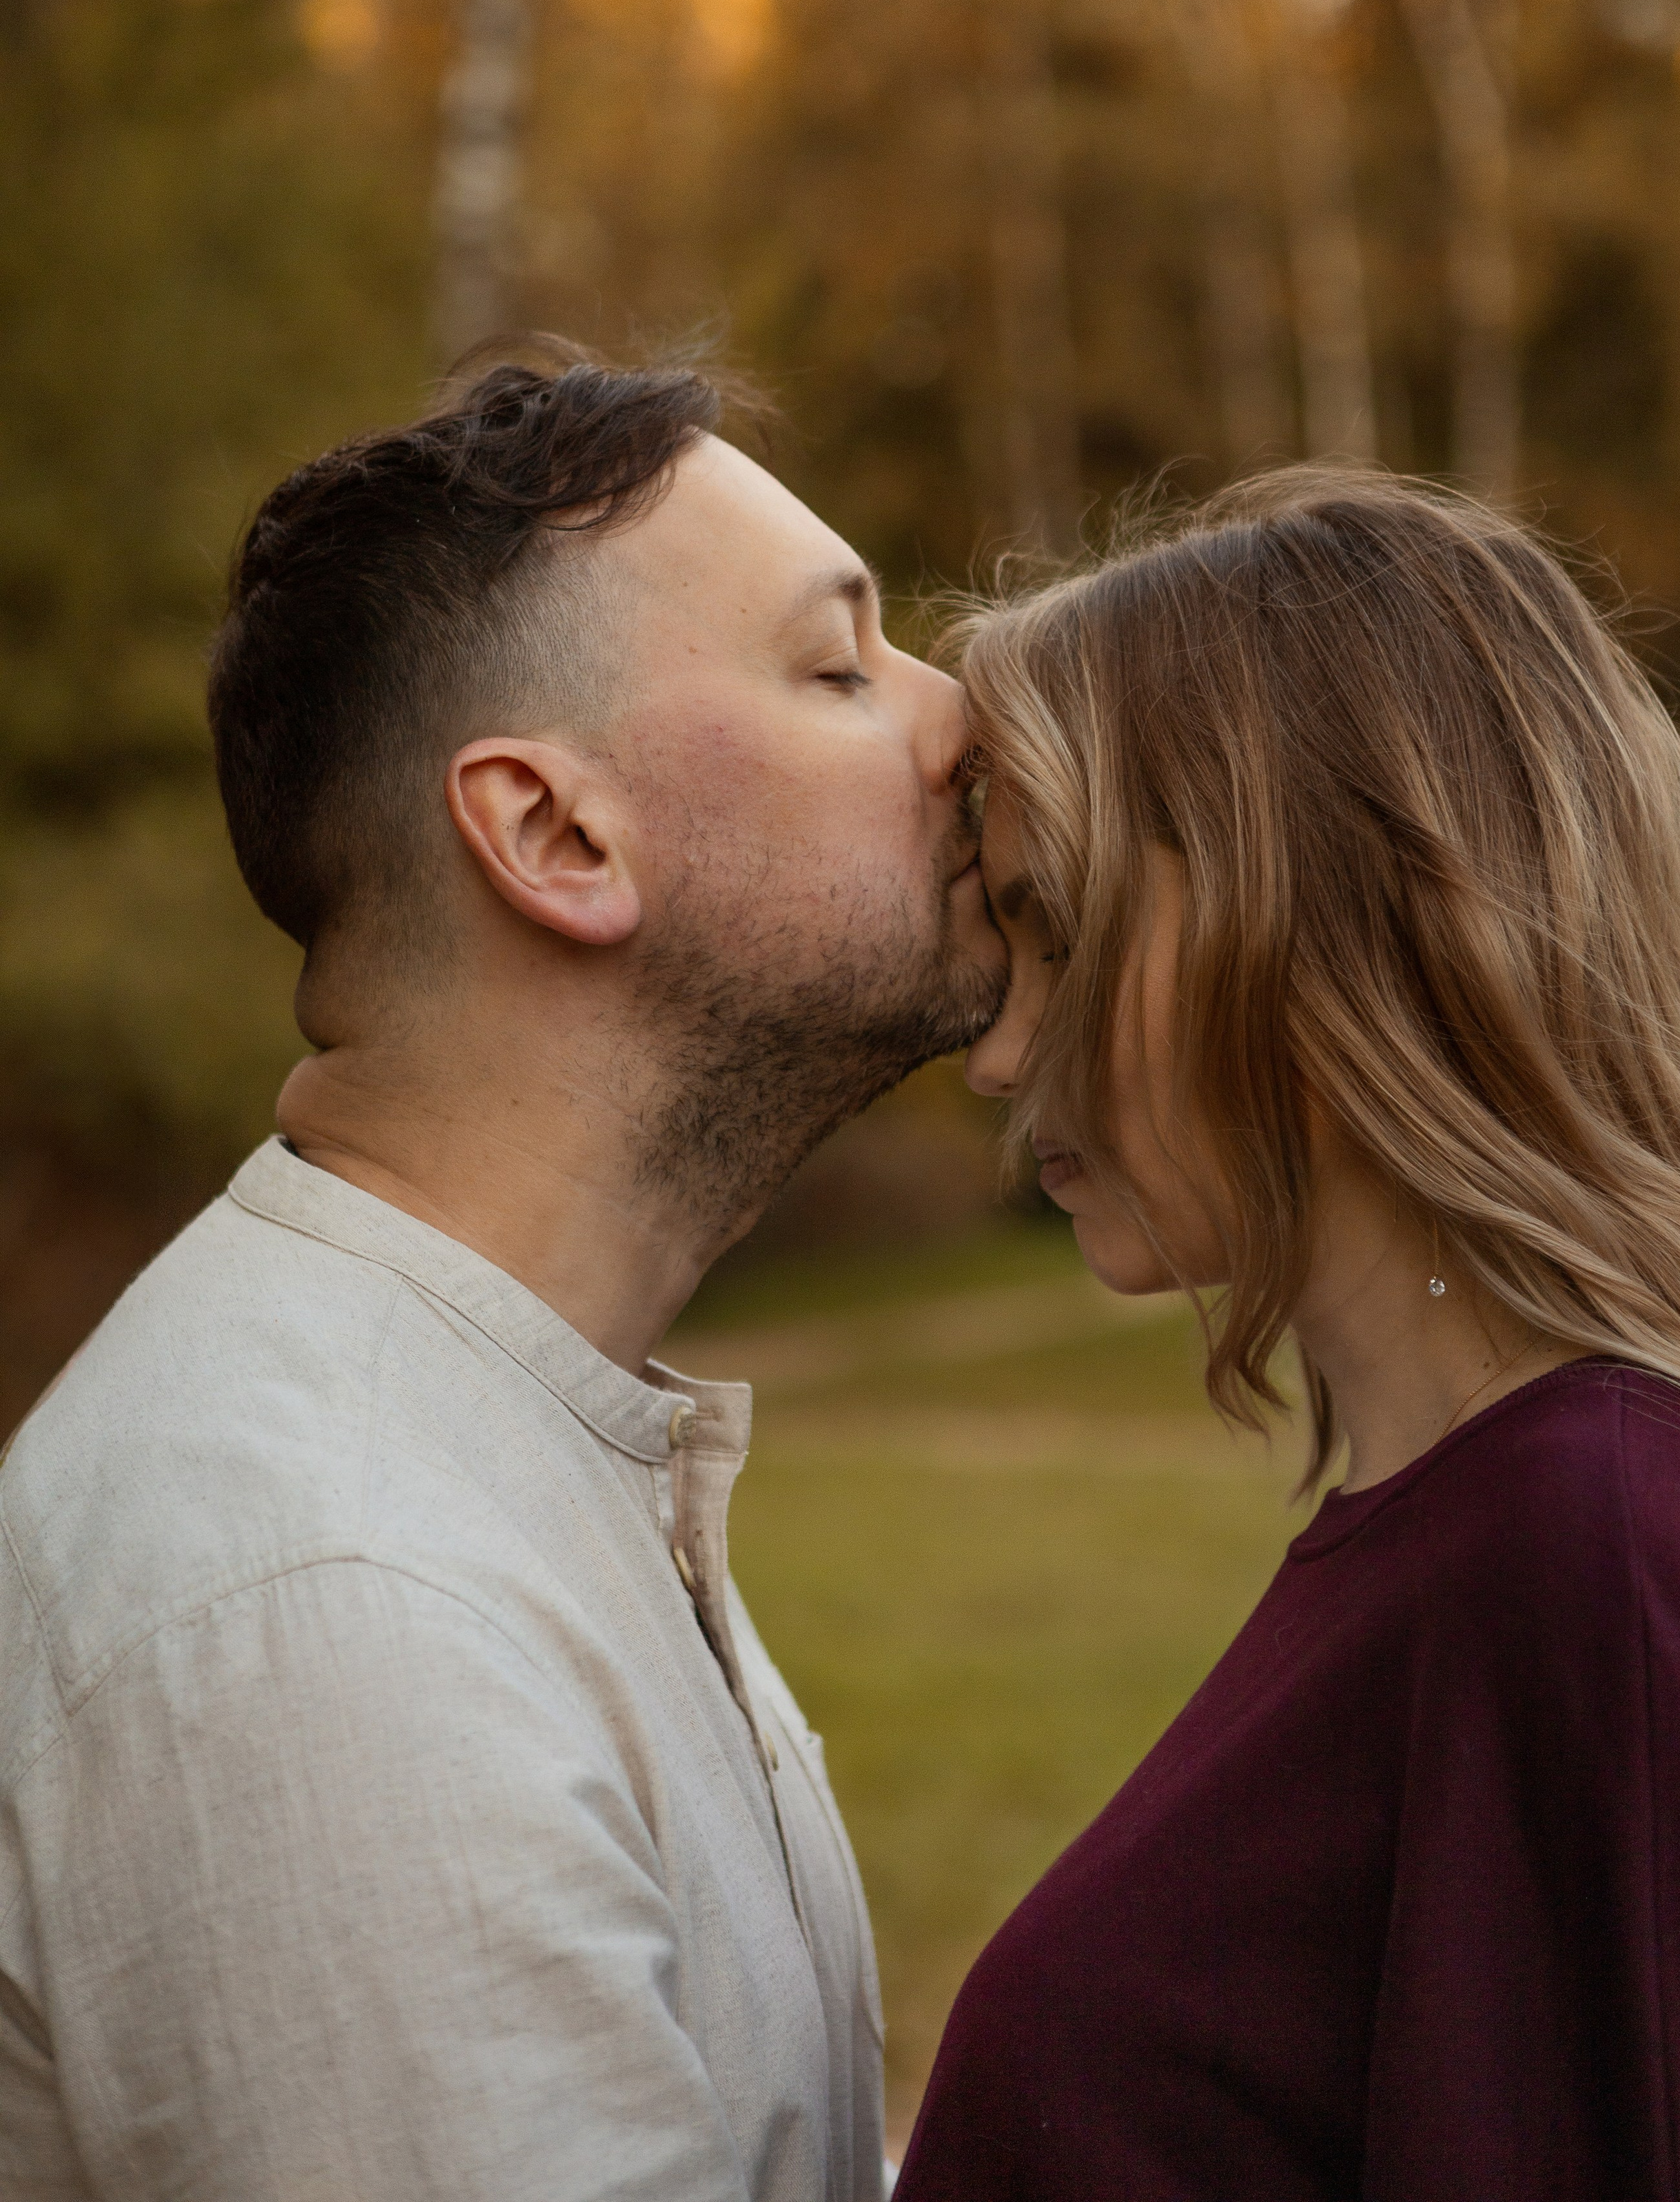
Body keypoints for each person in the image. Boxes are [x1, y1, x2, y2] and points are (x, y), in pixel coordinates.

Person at [0, 345, 1003, 2202]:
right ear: (554, 837)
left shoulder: (459, 1452)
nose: (967, 726)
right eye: (840, 667)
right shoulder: (338, 1601)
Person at [897, 465, 1680, 2202]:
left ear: (1316, 915)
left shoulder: (1593, 1552)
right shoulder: (1483, 1519)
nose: (999, 1058)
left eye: (1055, 930)